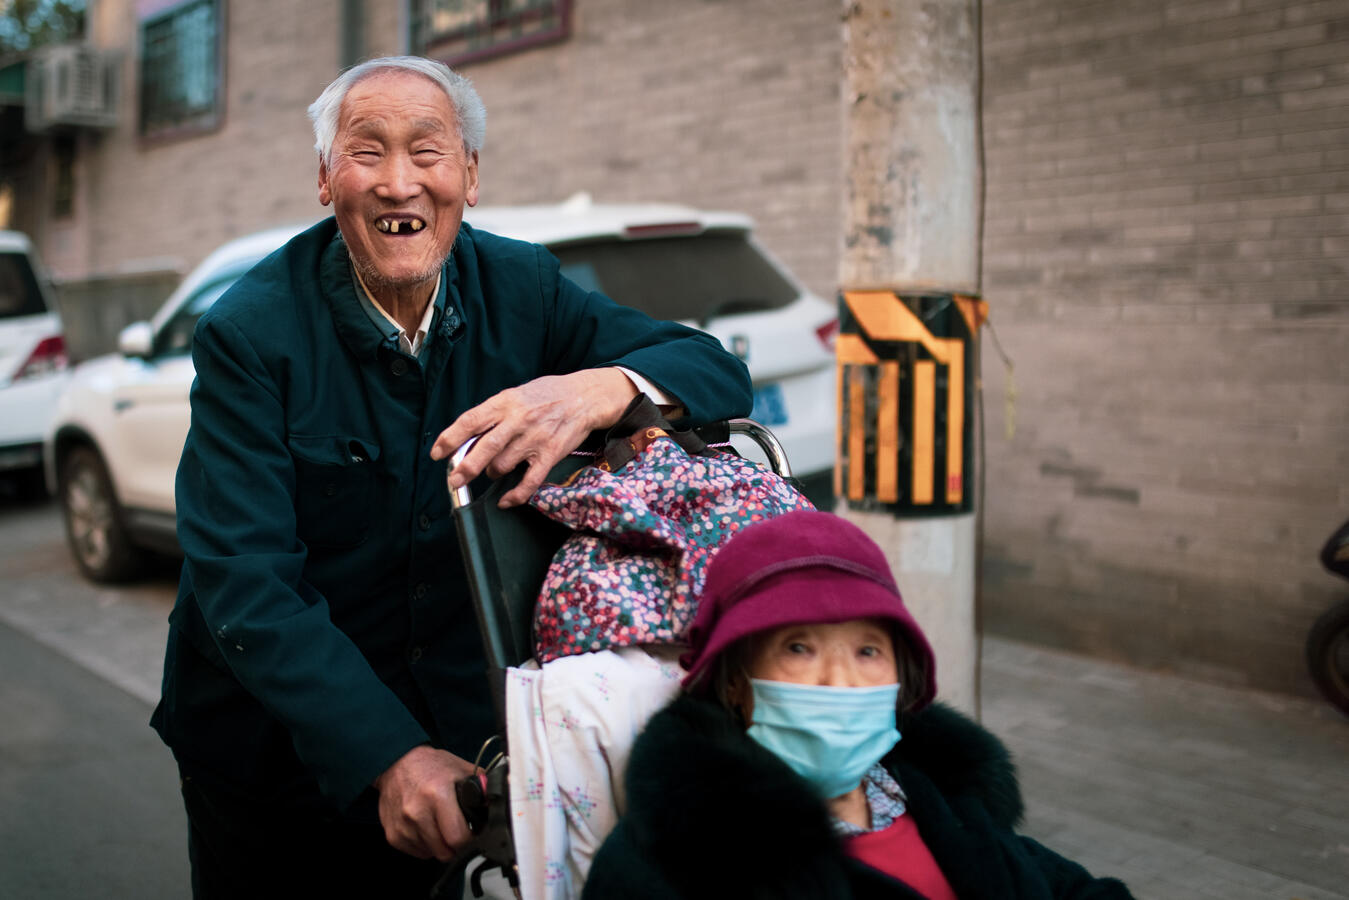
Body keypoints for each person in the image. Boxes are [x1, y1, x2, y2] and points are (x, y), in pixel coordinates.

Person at [149, 56, 751, 898]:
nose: (399, 183)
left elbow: (711, 366)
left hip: (468, 747)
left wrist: (596, 388)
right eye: (367, 152)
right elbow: (245, 582)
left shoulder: (524, 287)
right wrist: (387, 754)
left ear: (469, 175)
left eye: (427, 152)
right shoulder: (250, 334)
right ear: (324, 178)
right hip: (275, 752)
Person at [582, 510, 1135, 900]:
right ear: (734, 684)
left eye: (868, 651)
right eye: (798, 648)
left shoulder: (944, 799)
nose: (840, 681)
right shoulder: (668, 858)